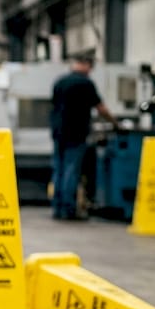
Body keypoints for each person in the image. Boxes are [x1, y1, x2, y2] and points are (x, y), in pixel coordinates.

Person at [49, 54, 117, 220]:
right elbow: (100, 108)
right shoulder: (86, 84)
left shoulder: (60, 82)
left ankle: (57, 208)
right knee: (71, 170)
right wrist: (115, 123)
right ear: (85, 65)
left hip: (58, 132)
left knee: (58, 169)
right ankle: (68, 209)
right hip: (76, 132)